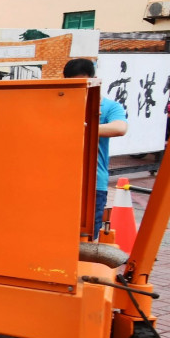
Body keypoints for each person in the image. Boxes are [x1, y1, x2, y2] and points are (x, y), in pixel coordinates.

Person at [63, 59, 128, 235]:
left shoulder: (109, 107)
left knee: (88, 235)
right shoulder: (61, 104)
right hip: (61, 181)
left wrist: (85, 129)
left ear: (94, 79)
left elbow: (120, 128)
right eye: (73, 84)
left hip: (93, 183)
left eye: (83, 83)